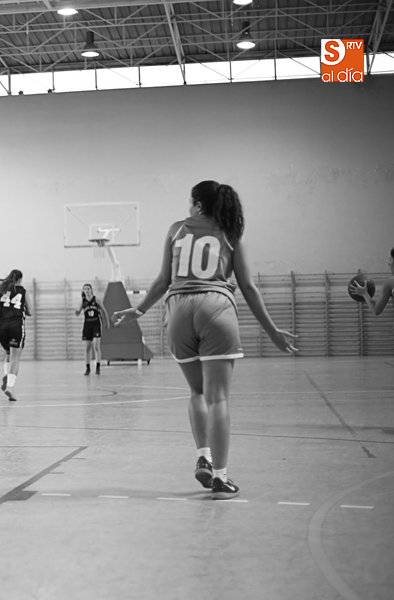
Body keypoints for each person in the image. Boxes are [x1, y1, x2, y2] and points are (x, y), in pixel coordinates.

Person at [113, 181, 297, 499]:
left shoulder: (175, 230)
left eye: (190, 202)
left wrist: (139, 310)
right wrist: (272, 330)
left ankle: (204, 457)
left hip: (178, 311)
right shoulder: (231, 233)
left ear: (198, 205)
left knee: (197, 392)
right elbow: (248, 286)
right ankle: (221, 477)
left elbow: (162, 281)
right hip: (215, 307)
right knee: (218, 399)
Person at [0, 269, 32, 401]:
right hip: (16, 326)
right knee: (15, 358)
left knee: (8, 353)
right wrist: (21, 308)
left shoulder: (2, 288)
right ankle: (10, 387)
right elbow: (30, 312)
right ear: (20, 279)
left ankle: (6, 375)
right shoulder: (23, 291)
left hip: (1, 327)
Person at [75, 283, 108, 375]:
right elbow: (78, 312)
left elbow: (104, 311)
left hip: (96, 324)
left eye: (88, 288)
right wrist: (76, 312)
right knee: (87, 348)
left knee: (96, 346)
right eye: (85, 289)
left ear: (91, 290)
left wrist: (107, 323)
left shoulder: (96, 300)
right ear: (83, 291)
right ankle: (88, 368)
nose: (87, 290)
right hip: (87, 325)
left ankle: (98, 367)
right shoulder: (82, 301)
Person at [352, 247, 394, 316]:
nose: (389, 264)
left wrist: (364, 293)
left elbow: (376, 310)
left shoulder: (390, 282)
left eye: (390, 259)